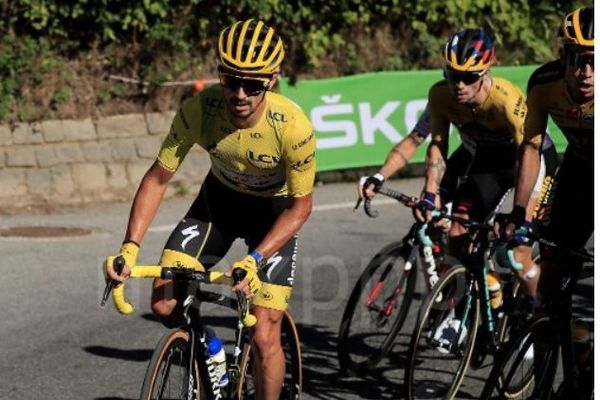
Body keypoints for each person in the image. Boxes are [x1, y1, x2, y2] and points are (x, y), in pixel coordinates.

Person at [104, 19, 316, 400]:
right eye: (230, 80)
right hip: (218, 204)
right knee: (165, 302)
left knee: (266, 333)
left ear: (271, 80)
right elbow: (157, 179)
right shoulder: (201, 110)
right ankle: (211, 351)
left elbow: (301, 207)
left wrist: (255, 257)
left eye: (252, 84)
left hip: (274, 216)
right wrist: (130, 247)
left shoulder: (293, 128)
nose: (239, 93)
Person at [414, 28, 557, 305]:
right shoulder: (441, 95)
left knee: (517, 252)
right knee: (457, 231)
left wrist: (521, 215)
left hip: (532, 159)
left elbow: (529, 153)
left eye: (469, 77)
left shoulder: (507, 99)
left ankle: (543, 311)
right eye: (452, 75)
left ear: (486, 71)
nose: (459, 85)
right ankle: (470, 303)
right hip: (490, 161)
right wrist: (431, 192)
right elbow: (438, 147)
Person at [498, 7, 593, 398]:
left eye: (595, 61)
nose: (585, 72)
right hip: (579, 168)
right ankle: (545, 380)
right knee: (550, 274)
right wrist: (520, 213)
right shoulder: (543, 84)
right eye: (577, 60)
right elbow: (532, 147)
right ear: (562, 57)